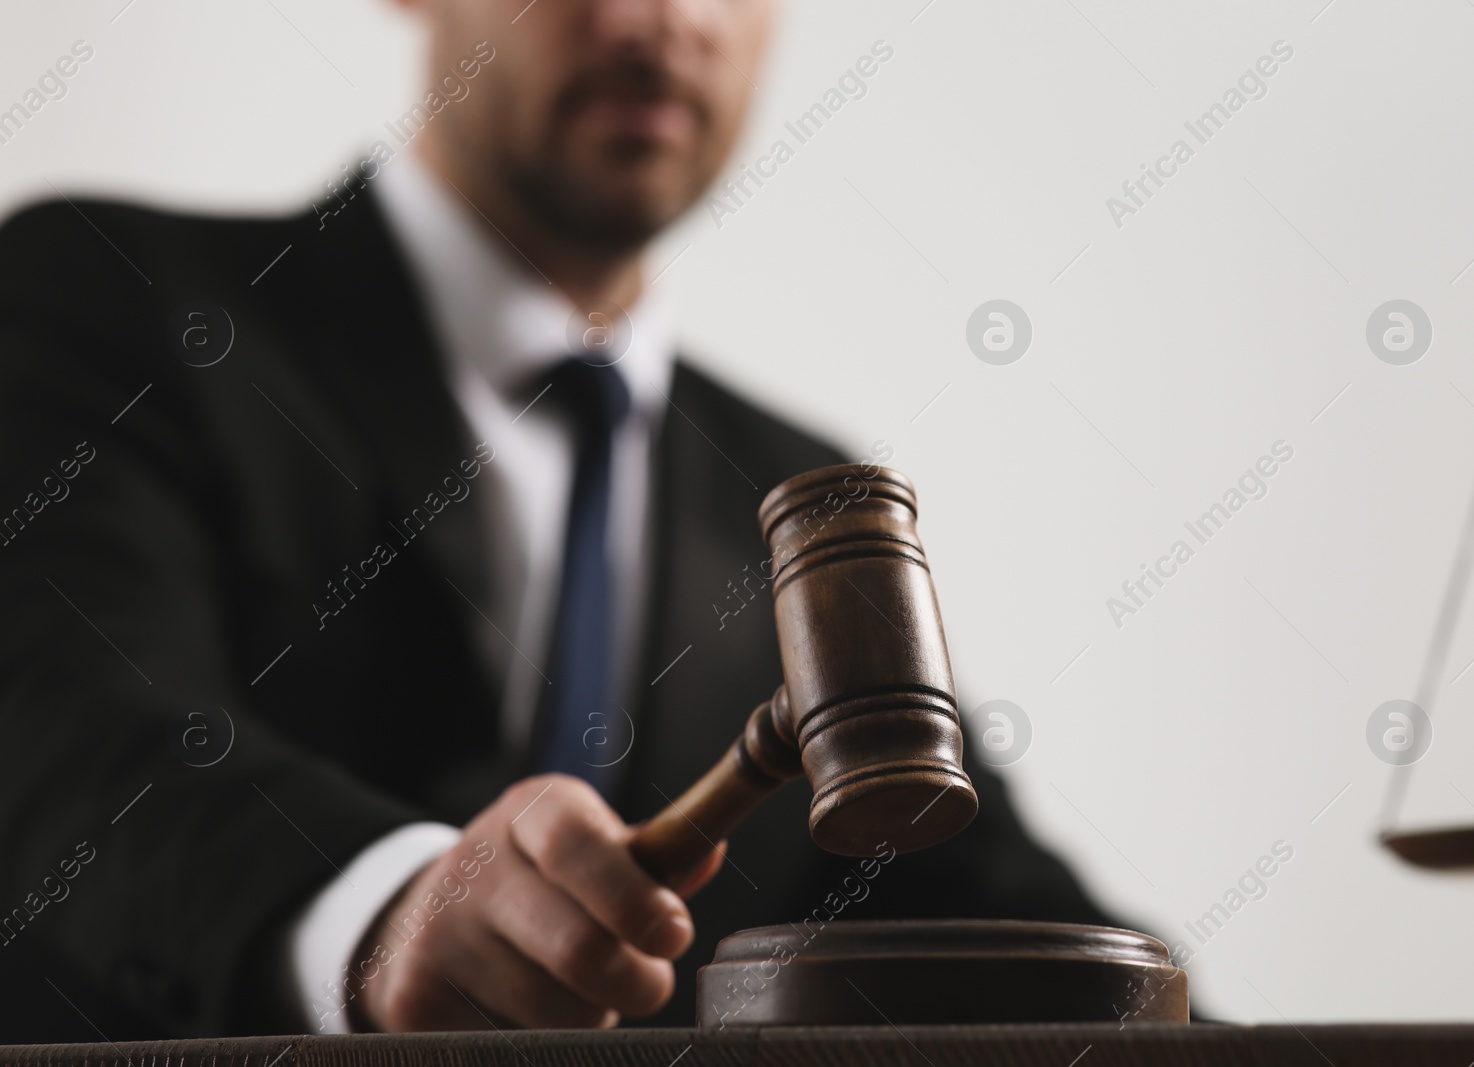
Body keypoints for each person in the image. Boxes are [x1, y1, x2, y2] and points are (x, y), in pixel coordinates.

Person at [0, 0, 1118, 1041]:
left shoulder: (802, 493)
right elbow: (66, 726)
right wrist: (379, 906)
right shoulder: (105, 295)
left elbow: (987, 906)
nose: (659, 20)